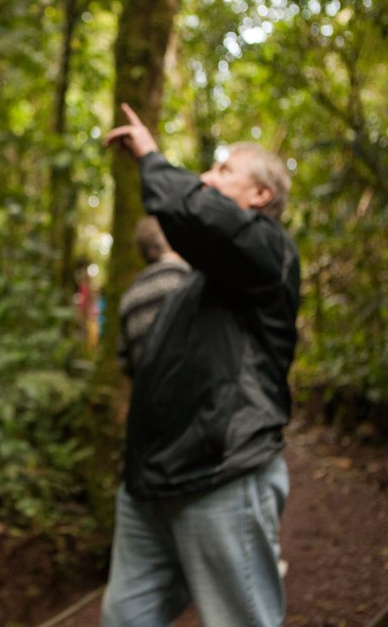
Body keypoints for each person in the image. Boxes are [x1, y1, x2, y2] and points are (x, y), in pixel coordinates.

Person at [100, 104, 300, 626]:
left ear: (261, 196)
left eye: (224, 170)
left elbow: (195, 213)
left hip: (220, 475)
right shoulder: (197, 282)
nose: (207, 178)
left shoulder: (268, 250)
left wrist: (151, 156)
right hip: (150, 486)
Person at [117, 216, 190, 376]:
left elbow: (124, 359)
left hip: (146, 387)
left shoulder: (130, 295)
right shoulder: (187, 277)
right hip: (190, 386)